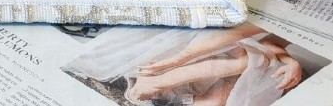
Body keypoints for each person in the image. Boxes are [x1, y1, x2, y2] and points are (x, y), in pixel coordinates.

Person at [66, 23, 305, 106]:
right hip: (208, 38)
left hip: (236, 47)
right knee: (251, 61)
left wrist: (291, 61)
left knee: (263, 66)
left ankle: (187, 96)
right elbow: (236, 33)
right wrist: (179, 59)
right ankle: (159, 82)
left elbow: (273, 43)